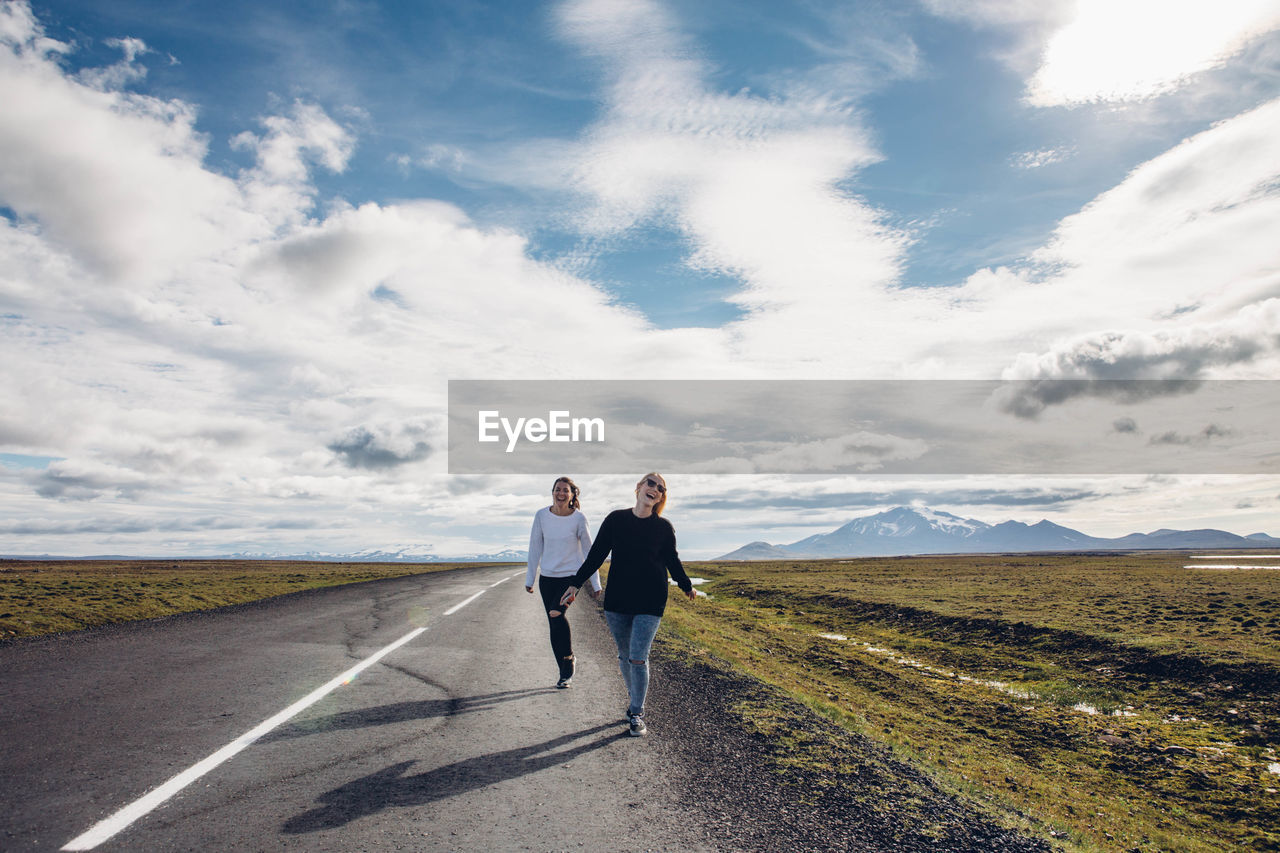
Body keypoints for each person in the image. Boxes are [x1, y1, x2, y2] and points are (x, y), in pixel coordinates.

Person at [558, 472, 695, 737]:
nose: (654, 489)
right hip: (618, 600)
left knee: (637, 657)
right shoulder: (615, 520)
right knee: (624, 655)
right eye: (650, 483)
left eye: (660, 488)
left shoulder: (663, 528)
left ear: (660, 497)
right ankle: (635, 697)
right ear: (639, 487)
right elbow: (596, 555)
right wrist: (575, 584)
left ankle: (636, 712)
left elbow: (672, 561)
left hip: (651, 600)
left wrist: (686, 584)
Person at [525, 476, 602, 689]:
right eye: (557, 490)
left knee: (556, 613)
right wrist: (530, 578)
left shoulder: (578, 519)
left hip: (570, 579)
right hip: (547, 578)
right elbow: (535, 547)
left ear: (572, 495)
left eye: (565, 490)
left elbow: (590, 552)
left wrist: (595, 583)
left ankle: (568, 663)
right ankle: (563, 669)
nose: (561, 493)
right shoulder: (541, 516)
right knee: (553, 623)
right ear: (552, 492)